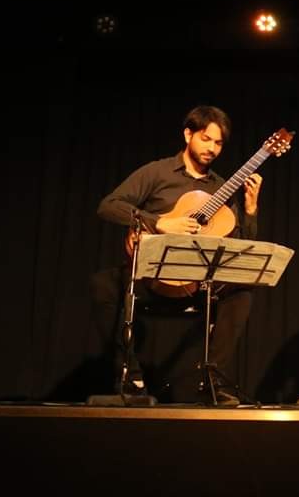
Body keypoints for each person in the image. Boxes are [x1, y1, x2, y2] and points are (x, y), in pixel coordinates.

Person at [90, 105, 263, 406]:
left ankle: (212, 381)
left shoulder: (221, 188)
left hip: (198, 284)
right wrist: (158, 222)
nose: (212, 148)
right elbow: (109, 205)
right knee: (103, 285)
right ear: (188, 134)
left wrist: (250, 209)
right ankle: (131, 378)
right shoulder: (157, 172)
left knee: (242, 290)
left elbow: (242, 245)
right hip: (150, 278)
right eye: (206, 139)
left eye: (218, 143)